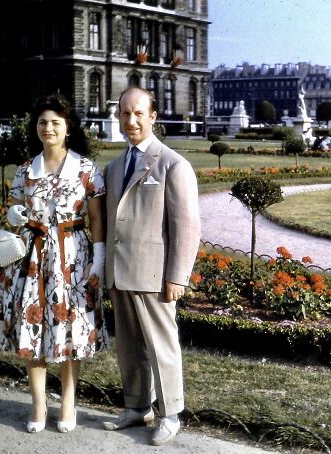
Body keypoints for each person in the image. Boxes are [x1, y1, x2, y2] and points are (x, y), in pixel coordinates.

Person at [0, 94, 107, 434]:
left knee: (68, 330)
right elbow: (14, 208)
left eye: (55, 122)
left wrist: (99, 261)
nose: (48, 128)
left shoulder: (86, 169)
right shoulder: (26, 169)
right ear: (35, 128)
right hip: (32, 257)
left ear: (68, 129)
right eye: (42, 122)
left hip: (72, 257)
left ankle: (68, 402)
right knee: (32, 328)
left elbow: (97, 220)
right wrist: (15, 214)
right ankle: (38, 404)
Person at [102, 87, 201, 446]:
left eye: (139, 113)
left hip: (156, 276)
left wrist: (177, 276)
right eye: (125, 113)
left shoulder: (173, 164)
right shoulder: (113, 168)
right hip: (121, 273)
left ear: (153, 116)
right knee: (129, 346)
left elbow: (187, 227)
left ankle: (170, 413)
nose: (131, 120)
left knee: (162, 346)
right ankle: (136, 406)